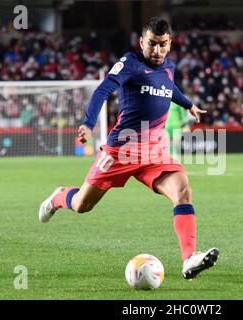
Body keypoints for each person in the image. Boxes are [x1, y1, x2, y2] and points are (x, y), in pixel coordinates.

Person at [39, 17, 219, 280]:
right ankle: (58, 197)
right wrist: (88, 124)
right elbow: (102, 90)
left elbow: (168, 88)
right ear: (142, 42)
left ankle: (189, 259)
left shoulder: (169, 66)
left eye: (163, 45)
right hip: (121, 150)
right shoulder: (130, 63)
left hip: (156, 148)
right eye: (152, 45)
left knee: (183, 191)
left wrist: (187, 103)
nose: (157, 51)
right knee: (81, 205)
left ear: (170, 44)